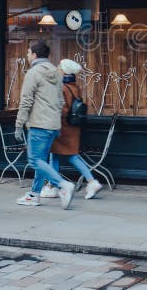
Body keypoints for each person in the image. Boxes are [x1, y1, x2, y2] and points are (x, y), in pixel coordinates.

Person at [14, 40, 76, 209]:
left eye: (28, 53)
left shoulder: (33, 73)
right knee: (41, 161)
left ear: (34, 55)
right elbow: (61, 100)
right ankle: (34, 194)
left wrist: (19, 124)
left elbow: (26, 101)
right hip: (53, 125)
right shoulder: (56, 73)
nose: (27, 56)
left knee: (34, 160)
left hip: (39, 123)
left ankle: (63, 184)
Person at [40, 59, 103, 201]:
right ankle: (54, 185)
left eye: (59, 67)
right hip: (73, 128)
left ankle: (89, 182)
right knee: (59, 154)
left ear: (63, 71)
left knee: (68, 156)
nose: (57, 69)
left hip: (62, 128)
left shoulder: (62, 87)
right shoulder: (75, 87)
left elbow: (61, 109)